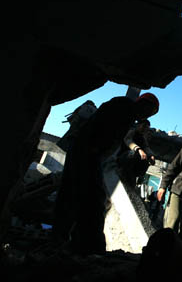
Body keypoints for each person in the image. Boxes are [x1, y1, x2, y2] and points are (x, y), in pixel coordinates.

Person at [53, 92, 159, 255]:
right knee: (91, 198)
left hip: (90, 154)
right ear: (142, 103)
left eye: (150, 115)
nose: (146, 116)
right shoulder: (122, 107)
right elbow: (105, 131)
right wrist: (96, 150)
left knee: (77, 194)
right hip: (87, 153)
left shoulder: (129, 115)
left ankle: (67, 240)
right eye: (148, 111)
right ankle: (86, 247)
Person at [117, 119, 155, 186]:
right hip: (123, 157)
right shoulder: (132, 132)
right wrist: (138, 149)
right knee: (133, 154)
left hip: (133, 163)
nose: (144, 129)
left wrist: (151, 155)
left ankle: (138, 177)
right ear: (138, 125)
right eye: (144, 126)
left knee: (147, 160)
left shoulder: (142, 138)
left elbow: (146, 147)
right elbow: (128, 140)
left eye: (147, 128)